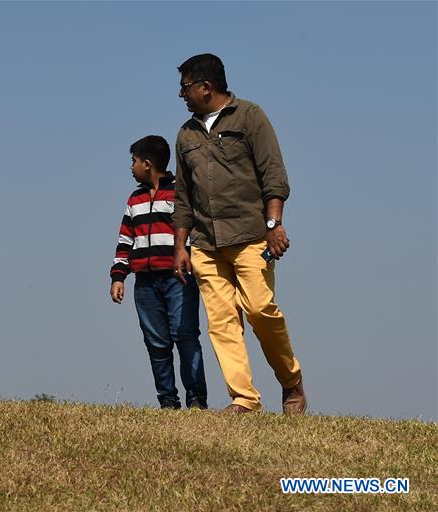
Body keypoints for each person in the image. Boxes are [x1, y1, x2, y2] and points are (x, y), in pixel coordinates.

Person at [170, 53, 306, 414]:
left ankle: (291, 382)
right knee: (222, 322)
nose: (180, 95)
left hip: (250, 236)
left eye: (184, 88)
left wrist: (274, 225)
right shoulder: (185, 135)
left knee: (261, 309)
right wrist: (180, 246)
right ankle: (245, 399)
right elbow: (183, 196)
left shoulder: (250, 117)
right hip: (205, 244)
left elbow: (273, 174)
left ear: (205, 87)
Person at [110, 135, 207, 410]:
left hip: (179, 279)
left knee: (186, 336)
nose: (131, 167)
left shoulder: (180, 193)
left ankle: (197, 400)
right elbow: (125, 240)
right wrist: (119, 276)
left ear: (148, 164)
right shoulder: (135, 199)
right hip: (145, 283)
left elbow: (193, 232)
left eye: (134, 161)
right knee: (156, 343)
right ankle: (167, 401)